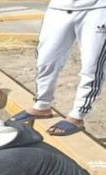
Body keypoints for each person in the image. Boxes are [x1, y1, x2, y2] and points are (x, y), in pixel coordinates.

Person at [10, 0, 106, 135]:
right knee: (45, 59)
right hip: (59, 7)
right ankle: (42, 105)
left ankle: (77, 115)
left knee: (92, 66)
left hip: (98, 8)